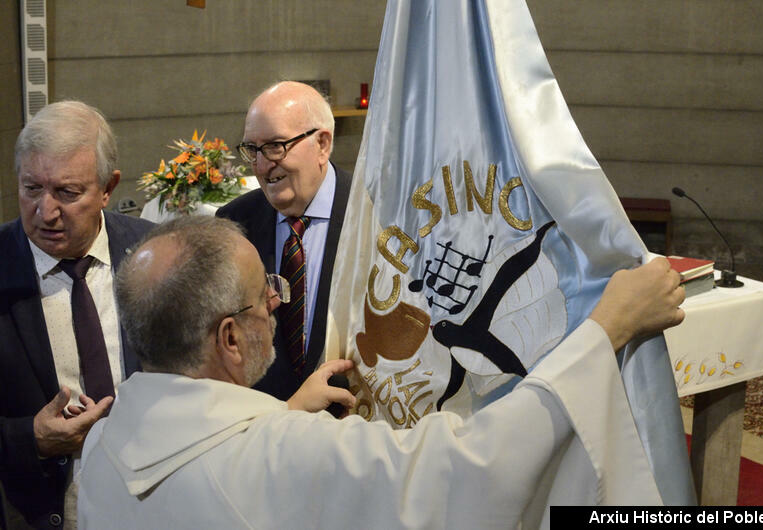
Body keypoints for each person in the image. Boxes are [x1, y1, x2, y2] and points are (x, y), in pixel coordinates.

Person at [78, 215, 685, 529]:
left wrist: (282, 412)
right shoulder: (286, 453)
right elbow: (472, 469)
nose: (276, 303)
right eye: (264, 296)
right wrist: (607, 330)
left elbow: (208, 468)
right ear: (230, 338)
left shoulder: (102, 445)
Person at [0, 101, 154, 529]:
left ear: (108, 188)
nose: (46, 212)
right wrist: (28, 439)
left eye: (67, 193)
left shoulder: (154, 253)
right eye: (32, 189)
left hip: (158, 504)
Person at [216, 81, 351, 400]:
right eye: (253, 149)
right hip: (268, 427)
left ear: (322, 144)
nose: (262, 166)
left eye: (276, 146)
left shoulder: (373, 213)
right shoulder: (235, 223)